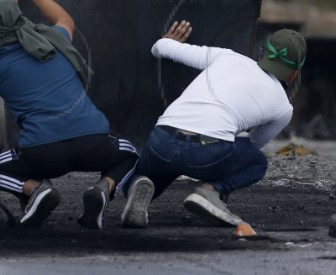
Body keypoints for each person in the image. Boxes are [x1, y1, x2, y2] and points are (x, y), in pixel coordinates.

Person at [0, 0, 138, 229]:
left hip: (43, 153)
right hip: (93, 144)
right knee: (130, 154)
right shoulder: (55, 40)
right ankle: (103, 189)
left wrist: (10, 2)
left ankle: (37, 191)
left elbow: (10, 34)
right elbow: (65, 20)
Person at [120, 21, 306, 228]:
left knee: (150, 174)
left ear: (263, 52)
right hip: (205, 153)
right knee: (257, 162)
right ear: (294, 74)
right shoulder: (283, 108)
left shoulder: (227, 57)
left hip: (162, 139)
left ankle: (137, 186)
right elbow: (254, 144)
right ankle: (209, 191)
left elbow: (160, 48)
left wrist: (166, 42)